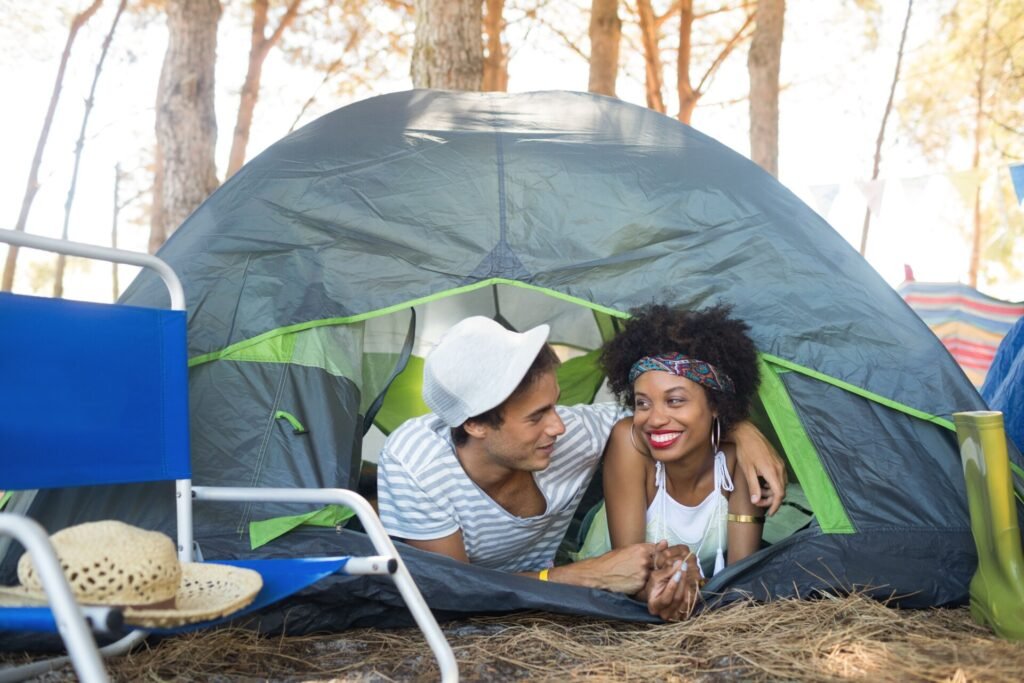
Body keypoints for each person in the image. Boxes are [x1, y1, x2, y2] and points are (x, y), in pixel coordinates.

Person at [376, 315, 785, 617]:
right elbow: (453, 593)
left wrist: (742, 430)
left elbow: (663, 420)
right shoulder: (415, 465)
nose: (559, 425)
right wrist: (589, 574)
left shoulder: (579, 433)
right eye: (537, 417)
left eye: (555, 405)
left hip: (541, 603)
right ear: (476, 424)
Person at [587, 304, 763, 617]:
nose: (654, 419)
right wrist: (670, 587)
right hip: (609, 592)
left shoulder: (738, 460)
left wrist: (694, 584)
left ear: (716, 404)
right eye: (642, 403)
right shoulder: (629, 442)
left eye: (675, 400)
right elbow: (629, 573)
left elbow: (740, 581)